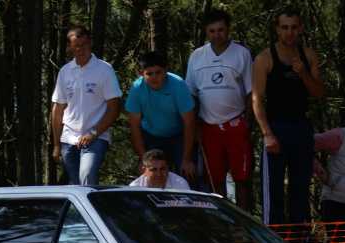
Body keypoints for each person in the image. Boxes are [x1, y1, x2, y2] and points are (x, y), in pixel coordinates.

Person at [252, 5, 324, 224]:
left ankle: (301, 242)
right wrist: (267, 134)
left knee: (300, 187)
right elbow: (256, 99)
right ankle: (274, 241)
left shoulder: (308, 55)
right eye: (284, 27)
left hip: (301, 126)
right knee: (273, 190)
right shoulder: (265, 58)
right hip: (275, 127)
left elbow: (319, 93)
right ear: (277, 29)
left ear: (300, 28)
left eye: (293, 27)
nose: (289, 32)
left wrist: (303, 73)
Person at [186, 8, 253, 208]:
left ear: (228, 29)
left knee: (242, 178)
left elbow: (251, 92)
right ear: (206, 32)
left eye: (221, 30)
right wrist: (195, 125)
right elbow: (191, 94)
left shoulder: (241, 53)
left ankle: (245, 223)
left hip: (236, 123)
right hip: (208, 127)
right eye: (212, 31)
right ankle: (223, 225)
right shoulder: (197, 56)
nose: (217, 35)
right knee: (214, 180)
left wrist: (248, 124)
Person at [51, 25, 122, 186]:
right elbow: (57, 109)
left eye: (84, 45)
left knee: (87, 176)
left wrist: (94, 133)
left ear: (90, 43)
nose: (81, 49)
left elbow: (114, 107)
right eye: (76, 46)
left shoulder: (104, 69)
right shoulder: (65, 71)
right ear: (70, 48)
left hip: (96, 137)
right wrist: (56, 144)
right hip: (68, 138)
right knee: (76, 185)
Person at [126, 51, 196, 180]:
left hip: (178, 135)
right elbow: (134, 126)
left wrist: (186, 159)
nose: (154, 77)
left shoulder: (178, 85)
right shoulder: (136, 89)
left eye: (158, 72)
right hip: (151, 136)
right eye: (149, 74)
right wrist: (143, 159)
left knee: (187, 172)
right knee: (149, 174)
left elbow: (189, 122)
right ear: (141, 73)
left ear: (165, 71)